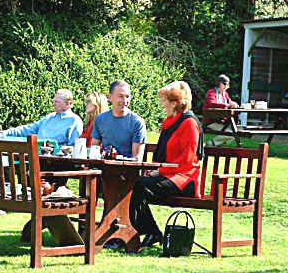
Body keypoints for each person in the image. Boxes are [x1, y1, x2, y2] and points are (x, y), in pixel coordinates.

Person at [129, 81, 204, 247]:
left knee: (140, 186)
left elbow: (187, 161)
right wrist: (155, 170)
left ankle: (150, 232)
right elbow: (164, 154)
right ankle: (146, 232)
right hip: (169, 175)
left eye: (165, 101)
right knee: (134, 184)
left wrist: (158, 172)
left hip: (185, 180)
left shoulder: (189, 123)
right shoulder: (169, 121)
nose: (162, 104)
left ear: (176, 103)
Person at [4, 89, 83, 146]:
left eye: (57, 101)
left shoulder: (74, 121)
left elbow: (72, 147)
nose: (54, 104)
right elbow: (27, 130)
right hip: (36, 157)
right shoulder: (49, 117)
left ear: (69, 103)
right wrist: (4, 133)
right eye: (54, 101)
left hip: (57, 162)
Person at [91, 80, 146, 161]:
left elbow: (136, 159)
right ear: (109, 97)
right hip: (104, 168)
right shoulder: (100, 119)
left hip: (127, 169)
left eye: (127, 97)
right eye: (120, 96)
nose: (125, 101)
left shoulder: (137, 122)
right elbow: (94, 150)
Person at [202, 74, 239, 146]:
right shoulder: (211, 92)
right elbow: (212, 103)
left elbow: (230, 102)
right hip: (211, 121)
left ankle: (215, 147)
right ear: (219, 83)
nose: (227, 86)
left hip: (222, 121)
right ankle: (210, 145)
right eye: (225, 84)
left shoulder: (225, 94)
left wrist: (234, 104)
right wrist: (227, 105)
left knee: (234, 133)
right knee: (232, 133)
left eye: (228, 84)